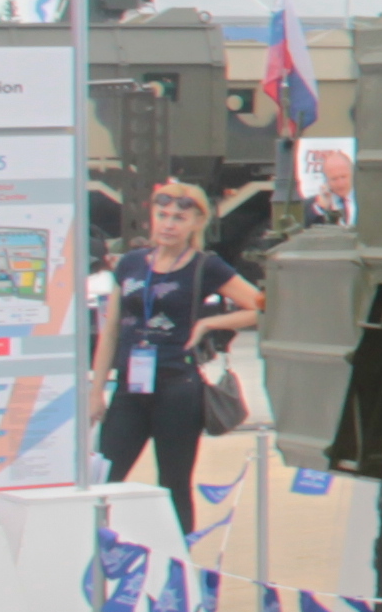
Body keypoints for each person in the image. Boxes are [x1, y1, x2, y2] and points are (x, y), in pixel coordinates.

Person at [87, 178, 258, 536]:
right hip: (130, 389)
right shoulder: (131, 263)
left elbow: (259, 306)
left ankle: (182, 561)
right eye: (162, 215)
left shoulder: (204, 265)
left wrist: (208, 324)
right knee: (104, 479)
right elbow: (111, 330)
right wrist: (96, 390)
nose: (168, 224)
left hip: (177, 388)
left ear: (197, 222)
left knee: (174, 483)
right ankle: (99, 554)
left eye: (179, 218)